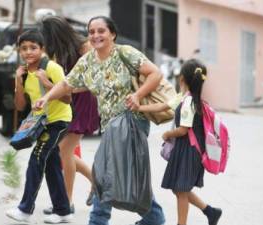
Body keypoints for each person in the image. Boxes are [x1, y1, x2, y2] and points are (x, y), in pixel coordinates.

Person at [33, 16, 165, 225]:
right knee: (124, 174)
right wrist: (46, 97)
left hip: (131, 121)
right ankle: (154, 218)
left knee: (104, 173)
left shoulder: (125, 53)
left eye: (101, 31)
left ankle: (98, 221)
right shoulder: (88, 61)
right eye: (92, 32)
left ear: (112, 33)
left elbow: (155, 74)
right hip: (110, 125)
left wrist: (138, 95)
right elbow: (67, 84)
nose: (96, 35)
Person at [133, 59, 222, 225]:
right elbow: (162, 106)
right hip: (186, 150)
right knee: (179, 188)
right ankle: (210, 211)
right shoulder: (185, 98)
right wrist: (138, 107)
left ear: (182, 79)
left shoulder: (188, 103)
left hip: (189, 151)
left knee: (181, 190)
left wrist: (167, 134)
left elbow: (182, 130)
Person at [5, 30, 73, 224]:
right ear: (19, 51)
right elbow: (19, 106)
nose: (28, 52)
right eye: (24, 48)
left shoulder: (52, 68)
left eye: (33, 48)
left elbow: (68, 98)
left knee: (37, 158)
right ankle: (63, 211)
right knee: (51, 164)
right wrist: (18, 80)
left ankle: (25, 209)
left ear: (42, 49)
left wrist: (46, 82)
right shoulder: (24, 72)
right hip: (39, 123)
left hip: (58, 121)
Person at [38, 16, 99, 212]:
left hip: (83, 102)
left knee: (63, 151)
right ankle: (95, 183)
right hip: (68, 101)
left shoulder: (85, 47)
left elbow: (90, 82)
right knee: (64, 152)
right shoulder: (62, 50)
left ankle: (66, 203)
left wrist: (58, 87)